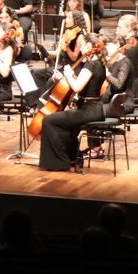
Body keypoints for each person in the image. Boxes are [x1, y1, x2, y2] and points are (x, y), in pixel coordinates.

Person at [38, 33, 107, 171]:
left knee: (49, 121)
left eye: (82, 46)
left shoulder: (90, 64)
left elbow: (77, 87)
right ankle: (74, 158)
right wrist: (66, 77)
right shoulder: (98, 63)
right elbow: (85, 85)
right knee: (63, 126)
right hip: (92, 109)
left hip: (88, 110)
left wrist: (69, 74)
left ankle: (60, 161)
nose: (80, 49)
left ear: (89, 46)